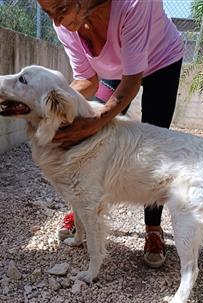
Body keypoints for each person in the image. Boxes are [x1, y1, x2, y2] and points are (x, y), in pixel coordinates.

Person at [37, 0, 184, 268]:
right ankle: (81, 211)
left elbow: (132, 79)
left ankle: (153, 230)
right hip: (117, 68)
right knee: (90, 130)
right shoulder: (65, 25)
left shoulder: (134, 4)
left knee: (156, 145)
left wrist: (97, 121)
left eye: (60, 10)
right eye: (48, 14)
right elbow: (86, 79)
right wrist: (50, 103)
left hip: (161, 61)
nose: (57, 22)